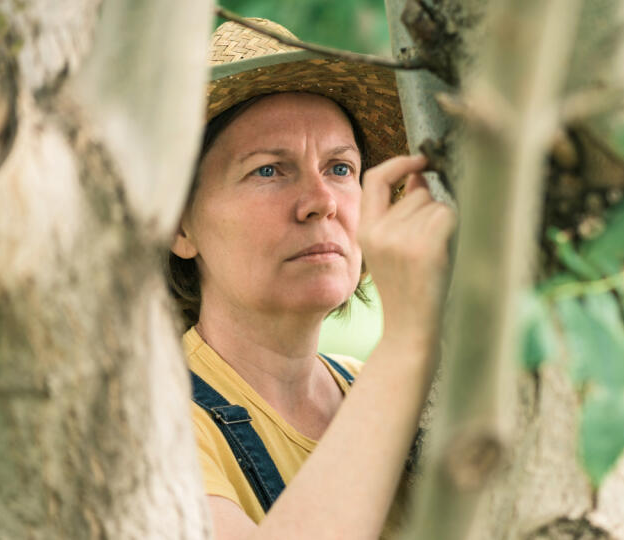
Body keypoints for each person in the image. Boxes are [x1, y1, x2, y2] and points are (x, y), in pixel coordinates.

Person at [166, 18, 455, 540]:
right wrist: (409, 338)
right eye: (269, 170)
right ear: (180, 226)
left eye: (340, 168)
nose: (320, 201)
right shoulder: (146, 425)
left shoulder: (384, 389)